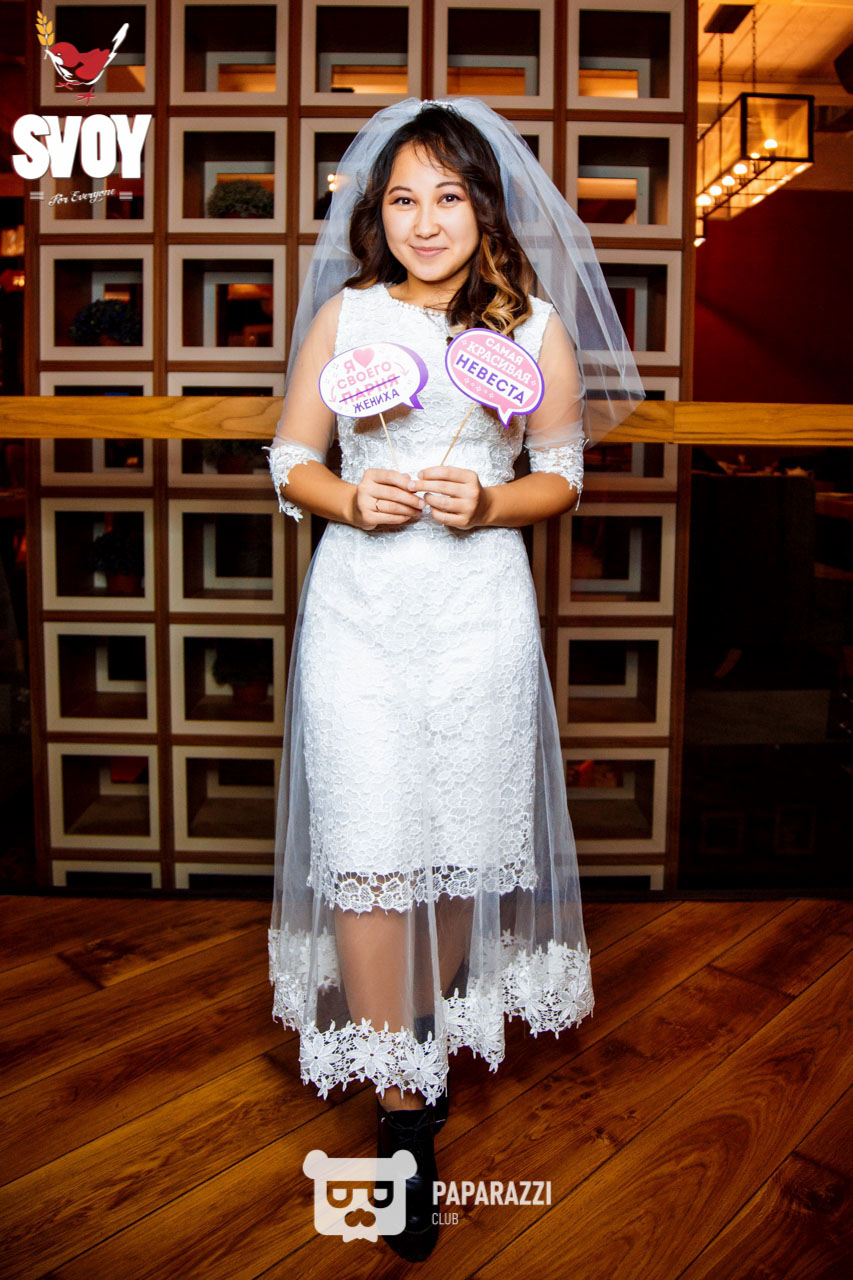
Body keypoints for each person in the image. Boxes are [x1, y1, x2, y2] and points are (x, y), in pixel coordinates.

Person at [266, 98, 643, 1262]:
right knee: (370, 846)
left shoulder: (532, 327)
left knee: (462, 847)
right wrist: (347, 496)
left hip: (478, 615)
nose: (424, 220)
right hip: (360, 617)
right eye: (401, 197)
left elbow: (562, 472)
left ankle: (419, 1026)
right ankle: (403, 1112)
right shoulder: (348, 314)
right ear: (374, 214)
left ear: (485, 206)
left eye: (448, 194)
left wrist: (487, 499)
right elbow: (289, 458)